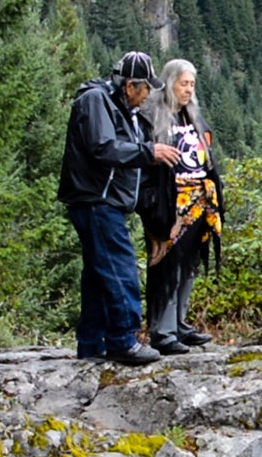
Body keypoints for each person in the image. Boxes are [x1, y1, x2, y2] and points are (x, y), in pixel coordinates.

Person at [58, 51, 181, 365]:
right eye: (143, 90)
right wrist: (148, 152)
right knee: (120, 269)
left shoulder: (123, 108)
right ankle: (123, 340)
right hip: (96, 200)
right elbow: (104, 147)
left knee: (99, 274)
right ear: (129, 86)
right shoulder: (96, 101)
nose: (146, 97)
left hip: (107, 201)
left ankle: (90, 343)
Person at [136, 58, 224, 355]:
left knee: (189, 265)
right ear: (170, 82)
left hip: (199, 202)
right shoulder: (152, 116)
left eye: (192, 85)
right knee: (165, 265)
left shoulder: (192, 116)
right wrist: (148, 205)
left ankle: (180, 323)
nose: (188, 90)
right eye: (183, 84)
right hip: (168, 204)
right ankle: (162, 330)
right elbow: (144, 164)